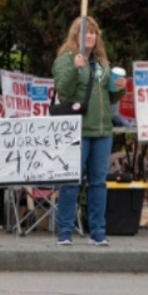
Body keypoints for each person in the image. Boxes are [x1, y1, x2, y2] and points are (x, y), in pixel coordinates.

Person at [51, 16, 125, 247]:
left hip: (103, 130)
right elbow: (63, 89)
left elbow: (108, 96)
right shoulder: (66, 60)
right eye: (85, 32)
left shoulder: (103, 63)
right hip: (78, 129)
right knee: (71, 181)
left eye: (93, 32)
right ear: (75, 36)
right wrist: (75, 69)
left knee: (98, 183)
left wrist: (120, 91)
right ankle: (65, 231)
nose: (90, 36)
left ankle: (98, 232)